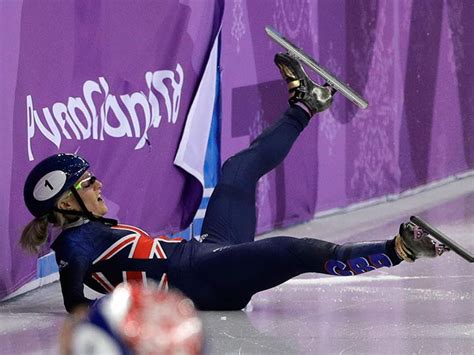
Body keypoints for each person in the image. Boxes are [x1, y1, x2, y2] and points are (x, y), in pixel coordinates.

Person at [21, 53, 445, 313]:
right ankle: (401, 249)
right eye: (88, 183)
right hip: (202, 279)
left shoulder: (89, 233)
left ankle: (304, 105)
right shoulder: (73, 246)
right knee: (288, 250)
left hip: (203, 253)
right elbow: (76, 305)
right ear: (65, 201)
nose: (99, 186)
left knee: (236, 174)